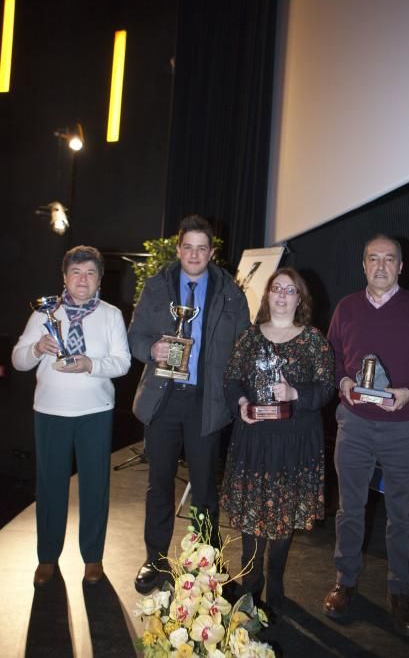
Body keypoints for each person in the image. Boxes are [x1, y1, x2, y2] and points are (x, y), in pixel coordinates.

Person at [322, 234, 409, 636]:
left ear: (402, 267)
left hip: (404, 428)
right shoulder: (346, 308)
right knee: (350, 509)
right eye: (372, 258)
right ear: (363, 265)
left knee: (401, 515)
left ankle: (400, 593)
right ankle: (344, 582)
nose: (380, 265)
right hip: (355, 423)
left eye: (389, 259)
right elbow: (330, 357)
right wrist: (343, 379)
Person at [129, 214, 250, 594]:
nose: (194, 254)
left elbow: (243, 347)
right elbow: (135, 337)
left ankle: (207, 562)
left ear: (211, 252)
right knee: (159, 484)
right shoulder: (156, 287)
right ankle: (155, 559)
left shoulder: (231, 292)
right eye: (188, 247)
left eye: (202, 248)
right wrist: (152, 348)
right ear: (179, 248)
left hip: (206, 402)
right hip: (164, 399)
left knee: (204, 489)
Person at [12, 245, 131, 586]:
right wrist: (37, 348)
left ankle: (93, 559)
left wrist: (90, 364)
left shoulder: (110, 315)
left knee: (95, 486)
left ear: (99, 280)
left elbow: (122, 362)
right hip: (50, 411)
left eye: (90, 273)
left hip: (96, 412)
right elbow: (18, 360)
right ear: (64, 277)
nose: (83, 279)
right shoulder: (43, 314)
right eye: (76, 272)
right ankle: (47, 558)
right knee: (50, 487)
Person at [220, 267, 335, 611]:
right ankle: (251, 584)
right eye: (277, 288)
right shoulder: (249, 337)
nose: (282, 295)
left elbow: (327, 387)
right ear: (268, 295)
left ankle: (277, 578)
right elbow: (231, 378)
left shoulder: (315, 339)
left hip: (295, 443)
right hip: (254, 438)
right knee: (254, 513)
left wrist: (294, 392)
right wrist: (240, 402)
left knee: (284, 516)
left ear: (300, 299)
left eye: (290, 290)